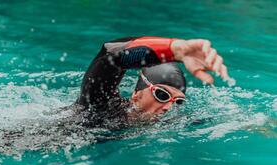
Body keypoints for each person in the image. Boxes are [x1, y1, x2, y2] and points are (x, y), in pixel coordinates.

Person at [74, 36, 229, 127]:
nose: (168, 107)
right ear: (136, 94)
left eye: (178, 101)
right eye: (161, 95)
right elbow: (109, 57)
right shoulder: (101, 108)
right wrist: (175, 50)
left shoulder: (165, 123)